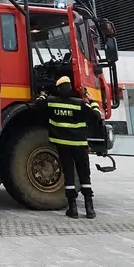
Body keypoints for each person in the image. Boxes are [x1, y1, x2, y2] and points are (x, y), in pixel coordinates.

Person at [36, 76, 104, 219]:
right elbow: (97, 115)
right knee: (84, 175)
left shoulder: (52, 102)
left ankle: (72, 209)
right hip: (80, 146)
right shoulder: (80, 104)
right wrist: (92, 101)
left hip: (63, 146)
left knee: (69, 175)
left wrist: (43, 95)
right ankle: (89, 209)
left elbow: (38, 104)